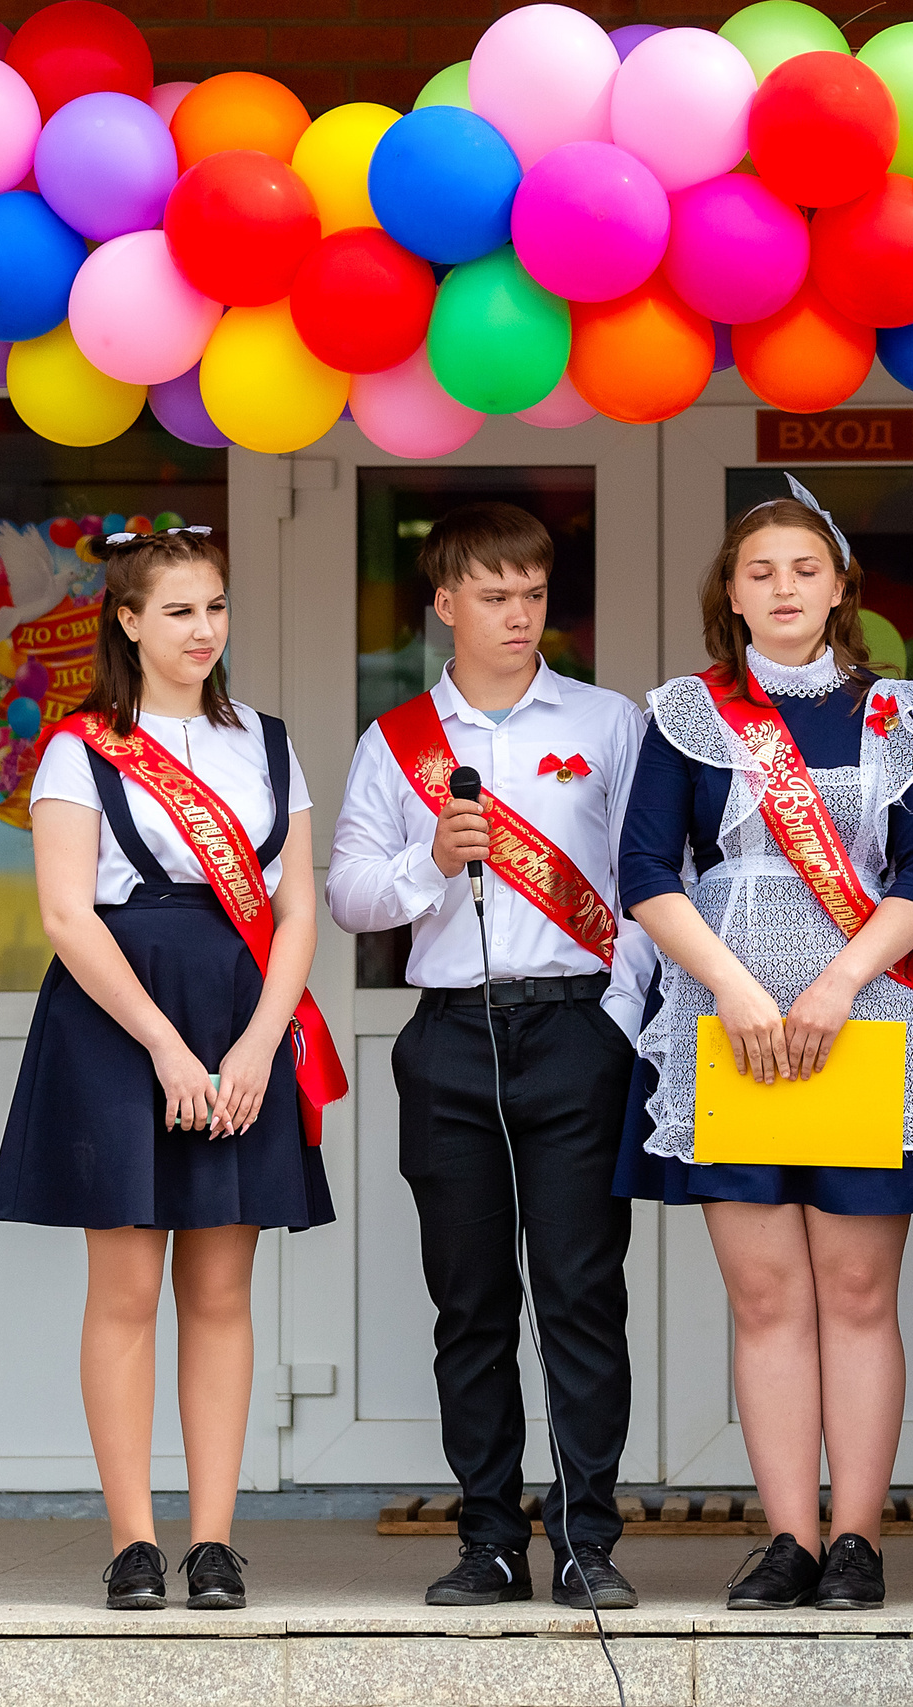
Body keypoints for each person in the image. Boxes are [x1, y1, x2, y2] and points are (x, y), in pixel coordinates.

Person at [615, 480, 913, 1614]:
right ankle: (789, 1539)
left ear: (840, 585)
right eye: (759, 572)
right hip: (731, 1031)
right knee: (764, 1298)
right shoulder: (685, 715)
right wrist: (737, 995)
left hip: (868, 1022)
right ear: (730, 591)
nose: (782, 589)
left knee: (858, 1295)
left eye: (803, 569)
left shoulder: (898, 714)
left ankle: (857, 1538)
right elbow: (646, 876)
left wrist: (836, 985)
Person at [0, 526, 340, 1614]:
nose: (204, 630)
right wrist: (167, 1046)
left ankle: (218, 1542)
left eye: (217, 608)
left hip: (240, 1015)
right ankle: (134, 1541)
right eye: (180, 610)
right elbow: (62, 912)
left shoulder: (270, 745)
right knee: (128, 1289)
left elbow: (295, 912)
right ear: (129, 621)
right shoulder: (78, 747)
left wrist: (249, 1047)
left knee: (223, 1292)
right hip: (119, 1019)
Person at [325, 503, 655, 1613]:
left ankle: (586, 1538)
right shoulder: (396, 742)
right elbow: (347, 893)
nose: (518, 615)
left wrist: (618, 1007)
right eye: (496, 595)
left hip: (575, 1028)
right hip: (451, 1039)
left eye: (534, 594)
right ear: (445, 604)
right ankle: (487, 1539)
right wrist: (428, 864)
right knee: (467, 1303)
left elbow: (653, 877)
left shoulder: (610, 723)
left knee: (578, 1293)